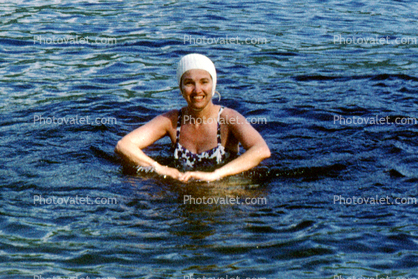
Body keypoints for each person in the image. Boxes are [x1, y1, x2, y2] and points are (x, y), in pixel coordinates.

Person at [115, 53, 270, 182]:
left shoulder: (228, 118)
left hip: (221, 186)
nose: (197, 90)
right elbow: (124, 145)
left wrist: (216, 175)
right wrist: (159, 168)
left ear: (213, 85)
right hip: (184, 186)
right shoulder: (172, 120)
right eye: (189, 83)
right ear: (181, 89)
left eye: (204, 82)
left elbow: (261, 150)